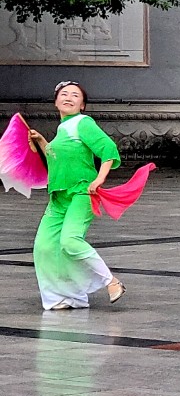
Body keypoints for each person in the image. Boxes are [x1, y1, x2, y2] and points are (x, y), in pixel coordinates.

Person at [28, 81, 126, 310]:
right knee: (44, 247)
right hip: (58, 197)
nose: (69, 98)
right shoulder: (63, 129)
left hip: (81, 193)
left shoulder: (83, 122)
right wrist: (41, 141)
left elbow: (108, 148)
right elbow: (56, 159)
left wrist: (100, 178)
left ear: (82, 105)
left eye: (75, 95)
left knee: (70, 241)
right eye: (64, 94)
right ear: (56, 102)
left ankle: (111, 281)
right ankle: (65, 297)